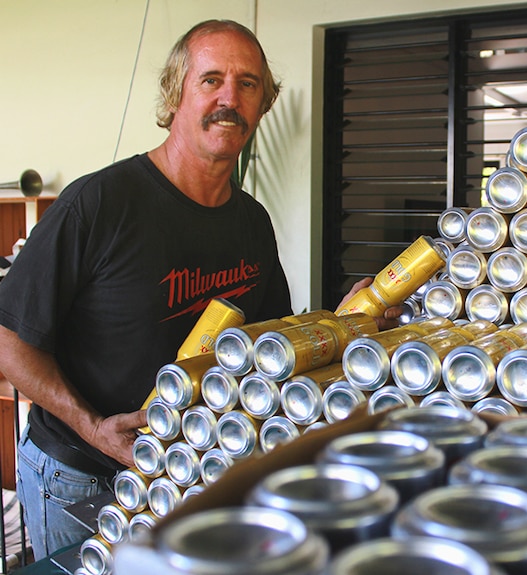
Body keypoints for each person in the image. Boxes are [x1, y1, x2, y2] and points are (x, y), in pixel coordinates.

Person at [0, 19, 398, 560]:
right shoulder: (98, 204)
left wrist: (348, 319)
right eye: (211, 80)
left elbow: (265, 342)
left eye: (248, 84)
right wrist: (94, 428)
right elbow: (10, 340)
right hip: (80, 470)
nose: (229, 98)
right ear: (176, 94)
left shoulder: (251, 222)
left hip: (185, 467)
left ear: (262, 105)